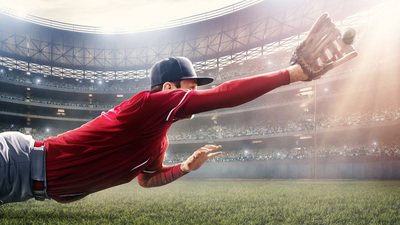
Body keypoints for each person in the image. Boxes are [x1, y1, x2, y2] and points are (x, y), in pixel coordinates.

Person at [0, 14, 356, 205]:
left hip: (25, 188)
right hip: (14, 162)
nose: (196, 92)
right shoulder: (149, 103)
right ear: (169, 88)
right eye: (190, 85)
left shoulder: (158, 142)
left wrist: (185, 166)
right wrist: (290, 74)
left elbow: (146, 179)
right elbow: (224, 96)